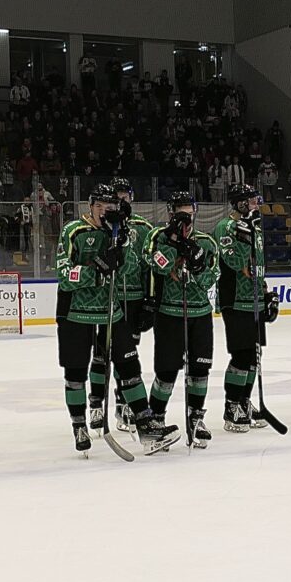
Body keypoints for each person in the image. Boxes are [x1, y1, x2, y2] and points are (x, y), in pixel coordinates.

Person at [55, 185, 176, 454]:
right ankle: (79, 424)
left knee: (129, 365)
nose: (104, 212)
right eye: (99, 206)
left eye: (109, 207)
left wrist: (121, 248)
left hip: (112, 310)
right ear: (90, 206)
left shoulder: (121, 232)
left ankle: (145, 424)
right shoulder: (74, 231)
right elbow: (64, 274)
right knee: (75, 371)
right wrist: (97, 268)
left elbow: (131, 268)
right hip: (76, 312)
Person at [146, 191, 219, 448]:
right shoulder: (158, 237)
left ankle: (196, 418)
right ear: (171, 213)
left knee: (200, 369)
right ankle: (156, 418)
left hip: (200, 313)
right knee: (166, 371)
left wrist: (198, 266)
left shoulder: (207, 242)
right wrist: (174, 243)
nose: (186, 219)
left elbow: (211, 279)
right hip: (169, 313)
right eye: (180, 214)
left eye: (189, 213)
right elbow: (157, 265)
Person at [213, 183, 275, 432]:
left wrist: (265, 292)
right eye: (251, 200)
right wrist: (242, 237)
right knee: (241, 355)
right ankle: (231, 406)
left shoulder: (256, 228)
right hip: (235, 299)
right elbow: (234, 261)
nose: (256, 204)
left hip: (254, 299)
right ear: (239, 203)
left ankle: (244, 401)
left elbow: (257, 265)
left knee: (254, 355)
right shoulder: (225, 227)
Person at [104, 177, 155, 432]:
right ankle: (118, 401)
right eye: (117, 195)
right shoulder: (104, 225)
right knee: (113, 352)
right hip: (112, 298)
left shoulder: (144, 228)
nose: (122, 199)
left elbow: (149, 267)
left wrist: (150, 300)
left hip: (135, 298)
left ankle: (125, 400)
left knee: (129, 350)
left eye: (125, 195)